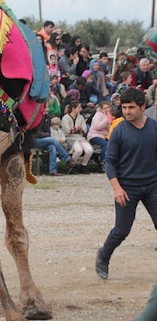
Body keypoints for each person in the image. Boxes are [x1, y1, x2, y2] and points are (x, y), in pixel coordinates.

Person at [96, 88, 157, 280]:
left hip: (152, 185)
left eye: (131, 107)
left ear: (143, 107)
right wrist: (117, 188)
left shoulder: (154, 127)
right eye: (124, 107)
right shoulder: (119, 130)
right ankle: (103, 256)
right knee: (122, 230)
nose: (127, 111)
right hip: (127, 188)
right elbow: (110, 162)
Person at [61, 100, 93, 174]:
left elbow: (84, 129)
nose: (80, 109)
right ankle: (72, 165)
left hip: (80, 137)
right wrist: (75, 129)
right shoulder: (65, 118)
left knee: (89, 150)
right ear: (73, 109)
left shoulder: (80, 117)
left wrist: (79, 129)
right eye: (79, 108)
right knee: (78, 150)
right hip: (70, 138)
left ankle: (84, 166)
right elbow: (67, 130)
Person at [87, 101, 112, 171]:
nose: (107, 109)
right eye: (105, 108)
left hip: (105, 136)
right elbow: (97, 126)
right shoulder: (98, 115)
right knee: (106, 145)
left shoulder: (108, 115)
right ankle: (102, 162)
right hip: (94, 135)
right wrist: (107, 120)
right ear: (101, 109)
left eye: (108, 108)